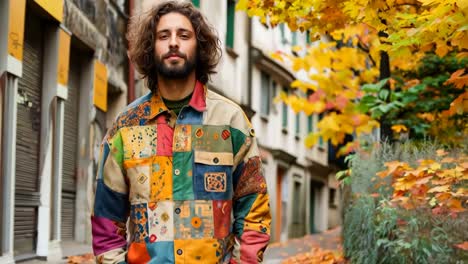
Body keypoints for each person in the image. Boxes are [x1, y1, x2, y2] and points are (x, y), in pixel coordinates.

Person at [90, 1, 271, 263]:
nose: (173, 42)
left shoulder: (231, 122)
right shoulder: (126, 126)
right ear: (151, 48)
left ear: (200, 47)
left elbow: (254, 210)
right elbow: (106, 218)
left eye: (184, 35)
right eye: (164, 36)